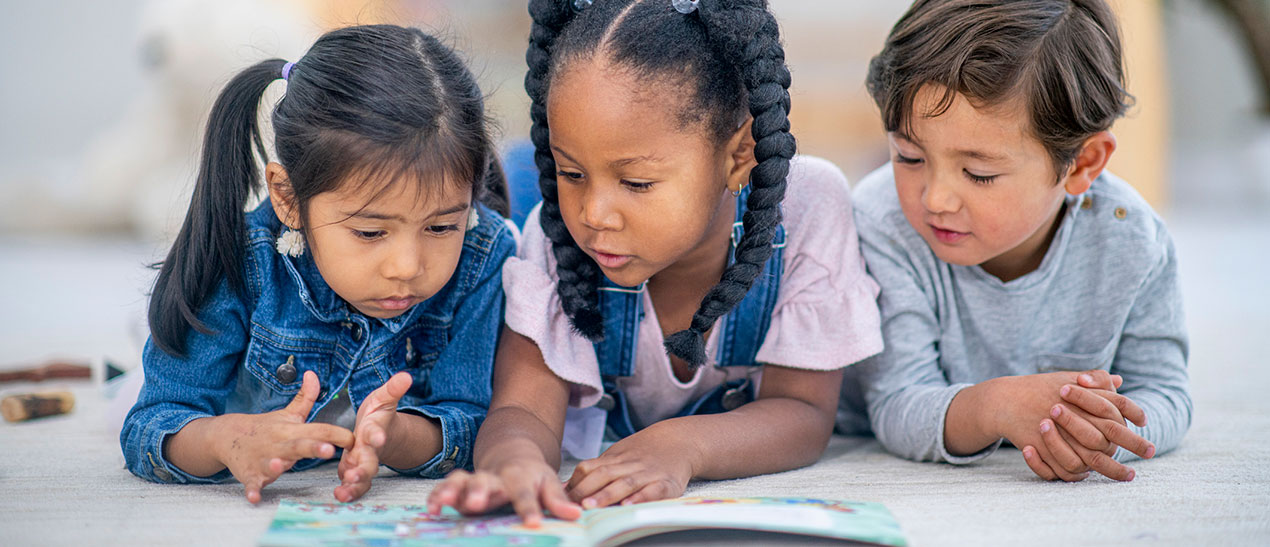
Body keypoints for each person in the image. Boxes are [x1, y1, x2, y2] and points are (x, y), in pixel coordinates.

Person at [429, 0, 883, 524]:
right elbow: (524, 409)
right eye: (571, 173)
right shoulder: (554, 237)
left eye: (636, 182)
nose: (594, 213)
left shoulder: (807, 207)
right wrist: (515, 463)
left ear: (740, 156)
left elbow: (804, 412)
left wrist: (680, 447)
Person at [120, 24, 516, 503]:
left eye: (440, 227)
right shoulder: (241, 260)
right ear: (288, 198)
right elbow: (153, 425)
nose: (408, 267)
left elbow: (477, 423)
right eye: (370, 232)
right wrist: (224, 441)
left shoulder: (483, 252)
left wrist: (393, 437)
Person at [840, 0, 1191, 482]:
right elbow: (898, 404)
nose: (936, 198)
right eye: (908, 156)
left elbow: (1166, 392)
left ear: (1083, 163)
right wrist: (994, 406)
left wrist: (1092, 435)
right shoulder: (884, 221)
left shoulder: (1132, 238)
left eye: (979, 174)